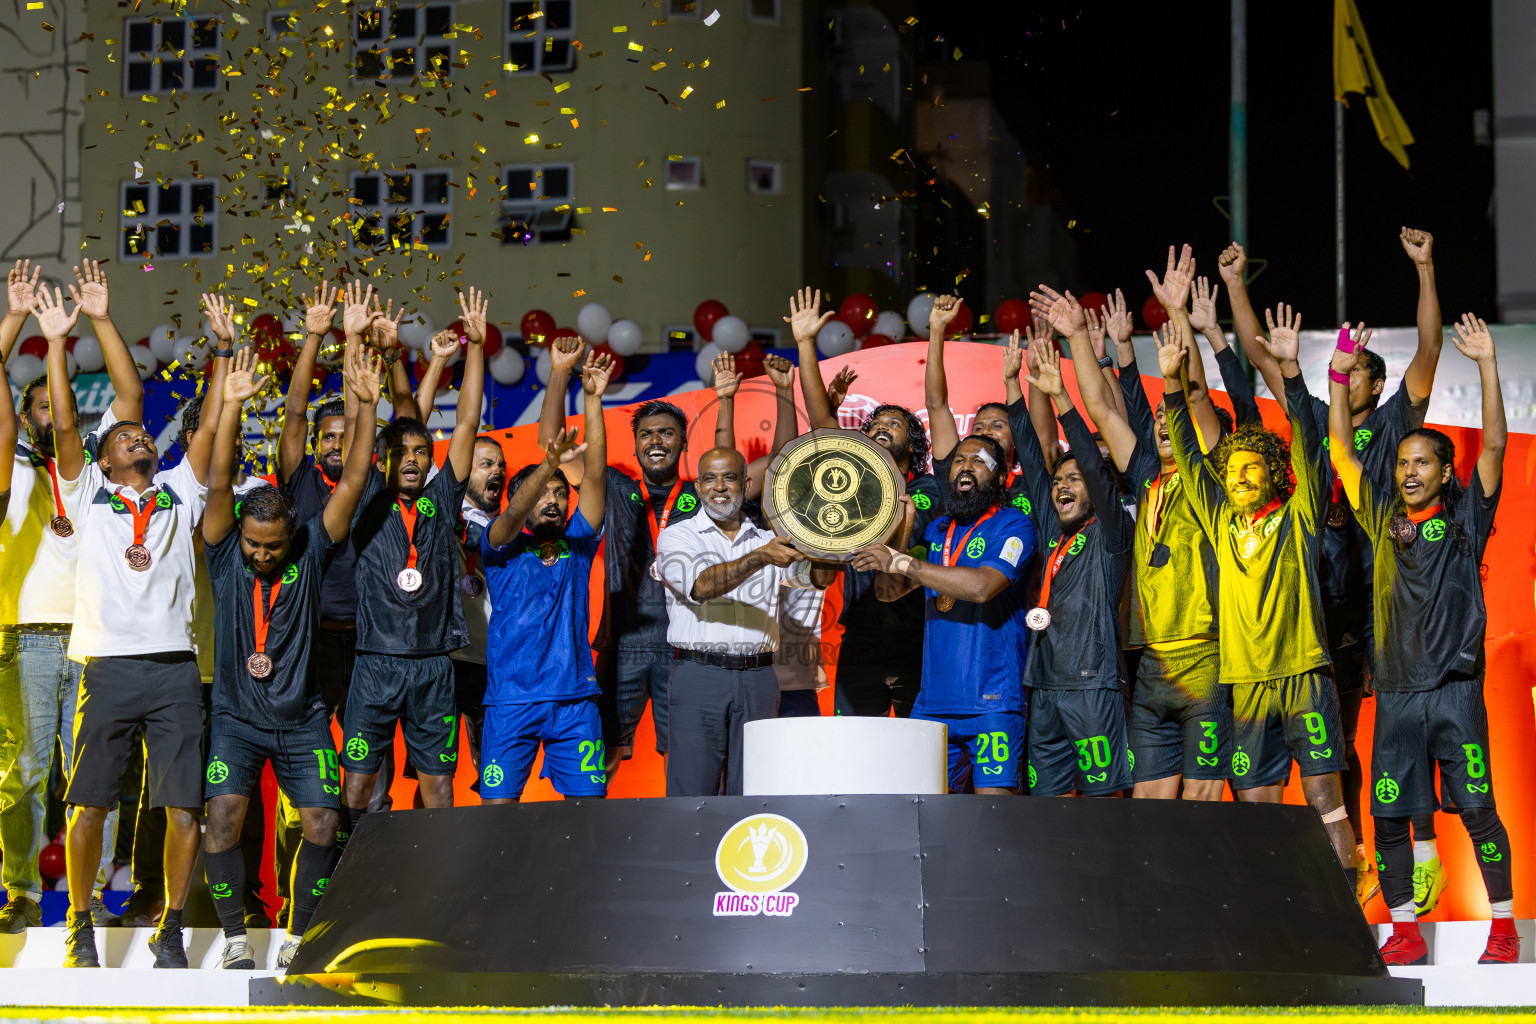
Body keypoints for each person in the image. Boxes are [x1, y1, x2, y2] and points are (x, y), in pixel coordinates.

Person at [1224, 232, 1443, 908]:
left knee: (1373, 742)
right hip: (1309, 617)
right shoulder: (1314, 422)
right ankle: (1342, 879)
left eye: (1360, 370)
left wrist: (1424, 268)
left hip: (1372, 615)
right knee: (1331, 750)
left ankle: (1391, 868)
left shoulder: (1393, 430)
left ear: (1376, 385)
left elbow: (1430, 350)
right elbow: (1265, 361)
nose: (1348, 375)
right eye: (1343, 367)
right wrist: (1235, 285)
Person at [1330, 314, 1518, 966]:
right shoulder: (1381, 519)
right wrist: (1336, 373)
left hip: (1455, 695)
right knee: (1386, 821)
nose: (1409, 472)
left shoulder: (1468, 522)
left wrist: (1488, 365)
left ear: (1443, 473)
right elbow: (1342, 454)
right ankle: (1404, 930)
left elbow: (1492, 445)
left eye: (1422, 464)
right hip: (1398, 698)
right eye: (1404, 463)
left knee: (1478, 812)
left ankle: (1503, 927)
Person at [36, 283, 213, 968]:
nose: (134, 433)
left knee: (182, 810)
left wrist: (104, 317)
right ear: (103, 461)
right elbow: (65, 428)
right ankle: (80, 923)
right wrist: (56, 340)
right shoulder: (88, 493)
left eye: (139, 434)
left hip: (173, 667)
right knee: (89, 806)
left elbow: (132, 395)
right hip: (106, 666)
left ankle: (169, 927)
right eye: (120, 438)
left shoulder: (178, 489)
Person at [1158, 310, 1357, 886]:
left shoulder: (1300, 517)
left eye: (1253, 469)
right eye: (1235, 471)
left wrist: (1292, 373)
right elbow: (1192, 463)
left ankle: (1351, 907)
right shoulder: (1219, 520)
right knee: (1256, 805)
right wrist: (1172, 383)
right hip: (1244, 683)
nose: (1241, 477)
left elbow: (1310, 447)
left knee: (1324, 796)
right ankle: (1278, 911)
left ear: (1275, 475)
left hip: (1304, 674)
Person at [201, 345, 380, 970]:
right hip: (236, 719)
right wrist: (229, 406)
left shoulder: (310, 550)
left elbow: (354, 481)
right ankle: (232, 940)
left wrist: (367, 408)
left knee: (323, 823)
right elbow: (220, 480)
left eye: (273, 546)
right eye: (255, 544)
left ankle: (300, 936)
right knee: (222, 817)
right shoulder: (224, 552)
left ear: (291, 537)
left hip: (303, 720)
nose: (263, 555)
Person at [1031, 279, 1230, 801]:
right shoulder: (1144, 472)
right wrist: (1076, 337)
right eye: (1159, 420)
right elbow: (1100, 408)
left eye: (1174, 419)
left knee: (1202, 809)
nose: (1164, 424)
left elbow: (1193, 395)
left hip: (1205, 656)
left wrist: (1177, 314)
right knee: (1147, 812)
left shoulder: (1208, 474)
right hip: (1149, 663)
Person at [0, 259, 141, 931]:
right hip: (25, 639)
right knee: (23, 776)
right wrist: (17, 321)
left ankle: (102, 895)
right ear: (22, 415)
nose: (52, 412)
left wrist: (95, 321)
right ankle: (22, 891)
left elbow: (129, 398)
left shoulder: (93, 476)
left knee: (96, 777)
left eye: (59, 406)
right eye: (38, 405)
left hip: (93, 639)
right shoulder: (14, 471)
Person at [338, 286, 487, 835]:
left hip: (432, 665)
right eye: (400, 452)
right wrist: (359, 359)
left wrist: (476, 347)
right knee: (356, 782)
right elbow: (360, 434)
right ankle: (347, 878)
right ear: (383, 460)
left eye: (421, 452)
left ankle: (434, 885)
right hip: (375, 661)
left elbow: (467, 423)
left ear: (430, 459)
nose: (411, 460)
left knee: (439, 784)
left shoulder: (442, 498)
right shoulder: (364, 501)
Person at [540, 334, 698, 777]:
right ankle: (587, 839)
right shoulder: (613, 487)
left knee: (682, 758)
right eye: (646, 434)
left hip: (683, 643)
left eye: (667, 432)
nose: (656, 441)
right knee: (601, 756)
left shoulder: (704, 493)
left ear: (683, 442)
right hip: (620, 642)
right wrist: (559, 374)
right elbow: (551, 446)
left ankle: (683, 843)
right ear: (634, 447)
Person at [786, 287, 940, 719]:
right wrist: (804, 343)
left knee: (917, 766)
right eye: (875, 423)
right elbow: (821, 422)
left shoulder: (927, 487)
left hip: (916, 642)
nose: (881, 427)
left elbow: (904, 530)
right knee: (855, 762)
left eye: (894, 423)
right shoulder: (849, 482)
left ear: (913, 444)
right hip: (860, 642)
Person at [853, 433, 1036, 794]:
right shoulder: (938, 530)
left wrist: (903, 561)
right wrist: (903, 532)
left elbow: (983, 586)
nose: (966, 466)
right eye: (958, 460)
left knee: (993, 812)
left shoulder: (1015, 525)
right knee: (922, 813)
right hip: (933, 702)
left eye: (979, 460)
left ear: (1000, 478)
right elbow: (887, 591)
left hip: (992, 701)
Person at [655, 447, 835, 796]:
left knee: (754, 792)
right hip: (698, 676)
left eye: (730, 477)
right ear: (698, 487)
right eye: (709, 478)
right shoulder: (677, 536)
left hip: (759, 679)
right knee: (691, 794)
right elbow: (700, 586)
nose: (719, 486)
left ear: (747, 483)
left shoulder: (770, 539)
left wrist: (829, 539)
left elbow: (818, 577)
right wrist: (758, 558)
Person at [479, 349, 612, 802]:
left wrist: (592, 401)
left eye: (559, 493)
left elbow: (594, 479)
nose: (553, 499)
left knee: (588, 816)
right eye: (543, 493)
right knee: (496, 817)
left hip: (575, 703)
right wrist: (547, 466)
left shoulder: (576, 541)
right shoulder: (500, 545)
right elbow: (515, 510)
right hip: (510, 703)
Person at [1009, 335, 1136, 797]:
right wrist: (1012, 389)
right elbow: (1030, 457)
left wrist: (1063, 398)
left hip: (1092, 684)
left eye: (1074, 479)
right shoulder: (1052, 530)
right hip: (1042, 681)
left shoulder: (1111, 531)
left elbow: (1096, 470)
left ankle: (1112, 871)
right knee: (1048, 805)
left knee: (1103, 802)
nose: (1062, 485)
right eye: (1059, 480)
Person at [710, 350, 831, 716]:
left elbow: (783, 458)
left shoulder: (812, 534)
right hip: (740, 678)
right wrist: (726, 401)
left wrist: (785, 392)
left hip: (795, 683)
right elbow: (728, 462)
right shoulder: (736, 536)